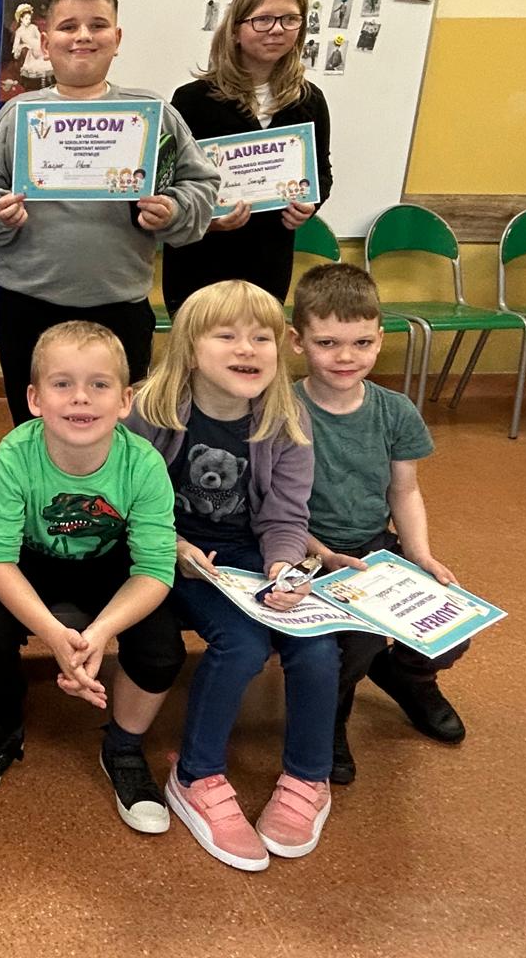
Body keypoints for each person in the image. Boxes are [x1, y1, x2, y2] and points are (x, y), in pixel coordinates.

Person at [126, 280, 335, 872]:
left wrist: (283, 567)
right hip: (169, 554)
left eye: (262, 338)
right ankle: (196, 775)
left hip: (248, 555)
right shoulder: (150, 413)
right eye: (227, 336)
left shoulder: (285, 419)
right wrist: (175, 547)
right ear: (190, 349)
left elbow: (285, 517)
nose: (247, 349)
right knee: (241, 644)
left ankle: (308, 777)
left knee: (317, 645)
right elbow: (129, 503)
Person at [0, 321, 184, 839]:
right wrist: (56, 636)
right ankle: (3, 727)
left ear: (125, 400)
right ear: (35, 399)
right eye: (63, 384)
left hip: (113, 563)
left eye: (99, 384)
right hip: (30, 561)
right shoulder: (15, 454)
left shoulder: (144, 464)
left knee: (161, 647)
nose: (81, 397)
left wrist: (98, 634)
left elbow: (153, 570)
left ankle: (124, 746)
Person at [0, 0, 219, 425]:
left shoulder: (151, 114)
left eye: (97, 25)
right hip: (29, 305)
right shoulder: (19, 115)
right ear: (45, 42)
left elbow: (201, 184)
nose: (83, 36)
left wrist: (174, 210)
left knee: (115, 430)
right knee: (34, 427)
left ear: (117, 38)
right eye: (68, 27)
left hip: (120, 306)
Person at [289, 264, 469, 785]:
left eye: (362, 343)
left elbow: (404, 491)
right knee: (356, 643)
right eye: (328, 343)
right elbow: (273, 506)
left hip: (375, 547)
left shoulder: (395, 411)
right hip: (306, 549)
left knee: (450, 630)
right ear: (298, 342)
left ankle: (409, 678)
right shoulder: (283, 409)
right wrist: (320, 554)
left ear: (380, 339)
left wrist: (419, 554)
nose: (346, 357)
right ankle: (331, 713)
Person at [163, 0, 334, 317]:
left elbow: (321, 174)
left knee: (257, 345)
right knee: (199, 347)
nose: (277, 29)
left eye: (289, 19)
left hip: (268, 261)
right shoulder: (193, 100)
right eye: (263, 19)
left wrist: (309, 205)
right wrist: (208, 219)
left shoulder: (309, 100)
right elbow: (168, 183)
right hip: (200, 261)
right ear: (236, 29)